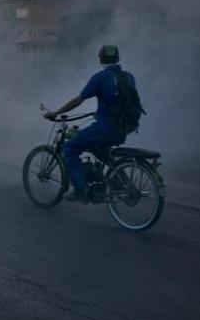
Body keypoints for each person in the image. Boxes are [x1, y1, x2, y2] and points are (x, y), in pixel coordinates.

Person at [43, 44, 141, 202]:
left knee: (70, 148)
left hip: (105, 128)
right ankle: (118, 180)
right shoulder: (129, 77)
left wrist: (56, 112)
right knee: (101, 150)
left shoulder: (100, 77)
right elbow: (119, 101)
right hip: (124, 128)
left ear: (100, 59)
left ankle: (80, 190)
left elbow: (79, 100)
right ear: (118, 58)